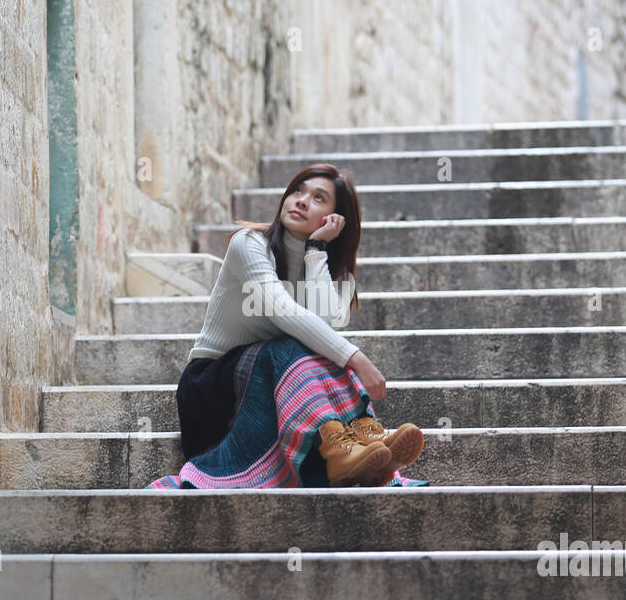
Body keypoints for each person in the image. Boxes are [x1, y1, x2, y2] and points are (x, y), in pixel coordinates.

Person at [145, 163, 427, 489]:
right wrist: (356, 358)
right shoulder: (249, 243)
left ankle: (362, 444)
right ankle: (343, 445)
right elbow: (283, 312)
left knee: (313, 346)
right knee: (293, 346)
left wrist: (317, 249)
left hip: (274, 387)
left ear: (335, 218)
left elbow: (322, 328)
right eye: (297, 190)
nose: (302, 201)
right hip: (214, 394)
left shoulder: (317, 262)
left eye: (318, 198)